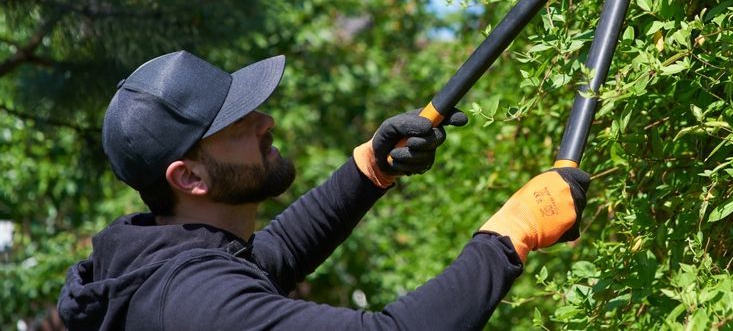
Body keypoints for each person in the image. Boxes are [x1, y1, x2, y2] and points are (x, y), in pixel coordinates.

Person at [57, 50, 589, 330]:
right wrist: (510, 234)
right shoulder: (197, 305)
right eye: (238, 125)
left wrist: (371, 168)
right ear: (189, 177)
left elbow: (276, 253)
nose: (265, 120)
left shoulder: (165, 259)